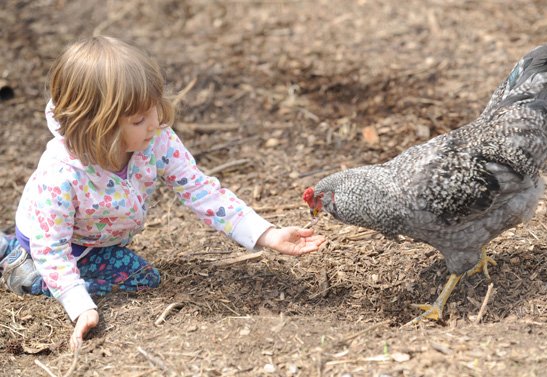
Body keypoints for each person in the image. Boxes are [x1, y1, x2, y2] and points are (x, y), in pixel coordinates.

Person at [0, 36, 324, 351]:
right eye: (139, 119)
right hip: (64, 244)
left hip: (92, 237)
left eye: (154, 109)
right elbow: (52, 247)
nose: (155, 123)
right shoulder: (63, 174)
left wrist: (266, 234)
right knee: (142, 276)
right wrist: (78, 303)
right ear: (98, 128)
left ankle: (8, 247)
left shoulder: (156, 141)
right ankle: (26, 273)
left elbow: (202, 191)